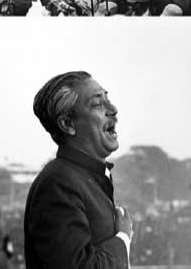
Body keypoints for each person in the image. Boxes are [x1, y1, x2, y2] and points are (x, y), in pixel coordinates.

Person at [24, 72, 133, 268]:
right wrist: (123, 240)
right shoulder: (58, 182)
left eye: (108, 100)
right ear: (67, 124)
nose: (113, 109)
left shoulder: (83, 178)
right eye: (98, 104)